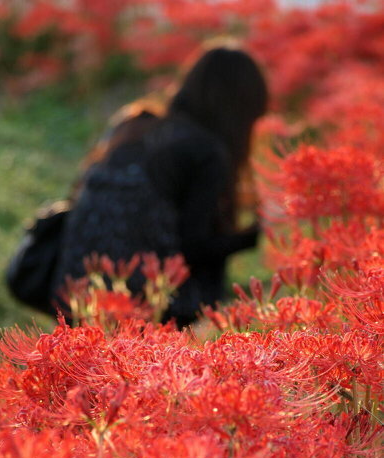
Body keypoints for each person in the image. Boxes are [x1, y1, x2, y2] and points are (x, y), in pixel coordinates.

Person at [49, 47, 268, 327]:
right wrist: (253, 235)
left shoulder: (135, 124)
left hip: (71, 292)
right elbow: (194, 247)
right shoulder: (206, 150)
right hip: (147, 306)